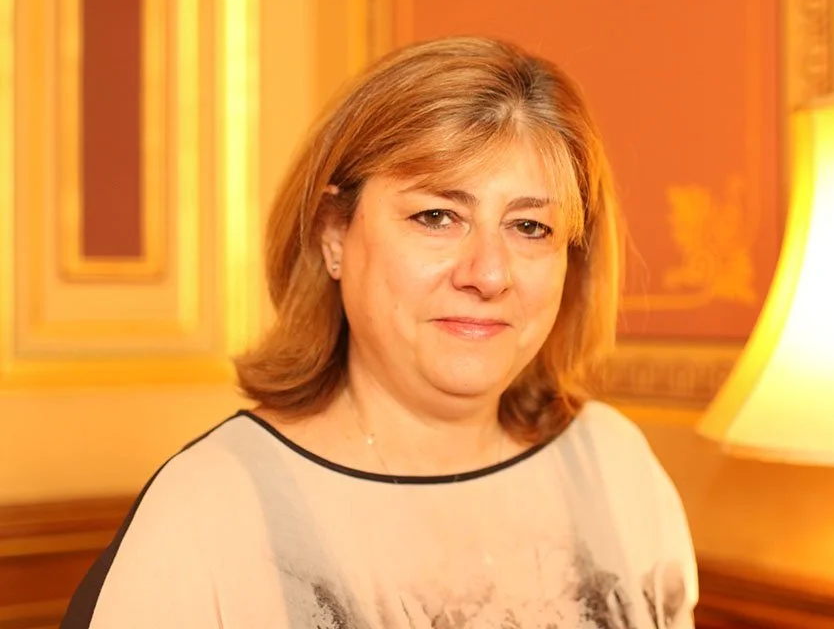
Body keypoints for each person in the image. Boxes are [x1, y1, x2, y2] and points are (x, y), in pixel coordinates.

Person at [61, 36, 697, 629]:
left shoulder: (615, 465)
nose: (488, 273)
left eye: (530, 227)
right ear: (334, 234)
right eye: (437, 216)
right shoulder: (211, 510)